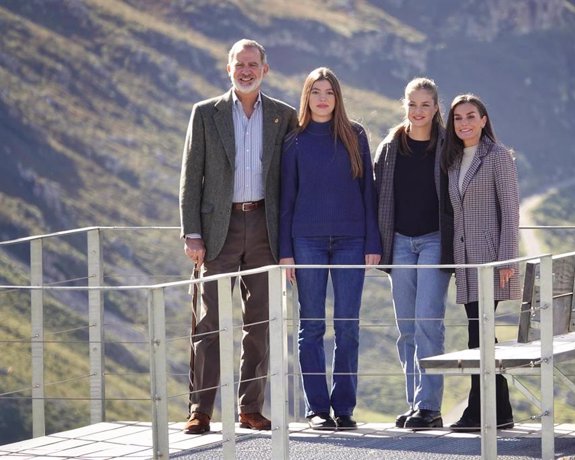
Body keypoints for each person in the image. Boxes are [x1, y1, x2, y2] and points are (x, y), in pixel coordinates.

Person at [179, 38, 298, 434]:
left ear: (265, 70)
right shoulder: (205, 113)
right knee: (208, 321)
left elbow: (294, 179)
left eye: (253, 64)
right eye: (239, 64)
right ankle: (200, 410)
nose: (246, 71)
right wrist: (192, 234)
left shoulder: (284, 116)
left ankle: (250, 408)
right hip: (217, 231)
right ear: (228, 69)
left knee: (260, 323)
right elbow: (190, 177)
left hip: (265, 228)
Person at [279, 67, 382, 431]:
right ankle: (317, 409)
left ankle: (344, 407)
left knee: (348, 326)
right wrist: (285, 252)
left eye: (329, 92)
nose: (322, 98)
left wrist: (372, 240)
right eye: (315, 92)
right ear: (306, 97)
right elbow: (286, 200)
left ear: (337, 98)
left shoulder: (355, 135)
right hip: (305, 241)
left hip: (352, 242)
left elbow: (367, 192)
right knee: (311, 326)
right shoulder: (294, 142)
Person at [439, 93, 520, 432]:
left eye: (471, 116)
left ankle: (479, 412)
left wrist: (506, 263)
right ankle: (500, 411)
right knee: (481, 334)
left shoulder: (498, 156)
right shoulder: (455, 159)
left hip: (490, 263)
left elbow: (510, 212)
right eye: (458, 118)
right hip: (466, 262)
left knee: (479, 335)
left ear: (484, 120)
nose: (465, 123)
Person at [373, 78, 451, 430]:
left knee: (427, 323)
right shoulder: (390, 147)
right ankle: (414, 403)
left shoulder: (448, 146)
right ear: (404, 105)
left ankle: (430, 406)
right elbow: (375, 197)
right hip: (400, 242)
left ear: (436, 108)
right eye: (412, 104)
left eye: (425, 105)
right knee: (405, 327)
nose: (418, 111)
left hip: (435, 241)